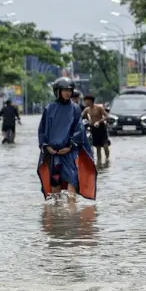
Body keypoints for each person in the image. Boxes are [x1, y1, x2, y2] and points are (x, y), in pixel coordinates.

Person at [37, 77, 97, 205]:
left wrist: (70, 146)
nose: (67, 93)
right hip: (53, 153)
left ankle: (71, 211)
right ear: (57, 91)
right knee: (55, 181)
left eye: (69, 90)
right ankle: (57, 212)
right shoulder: (49, 108)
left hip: (69, 153)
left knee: (72, 180)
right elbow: (42, 130)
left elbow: (79, 130)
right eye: (64, 90)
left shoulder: (75, 108)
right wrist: (47, 146)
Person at [81, 95, 111, 167]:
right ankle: (99, 163)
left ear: (90, 101)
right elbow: (81, 117)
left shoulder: (99, 108)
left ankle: (107, 159)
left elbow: (107, 116)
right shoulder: (87, 109)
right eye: (85, 101)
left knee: (105, 145)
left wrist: (99, 121)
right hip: (93, 128)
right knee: (97, 147)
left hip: (101, 127)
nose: (85, 102)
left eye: (86, 101)